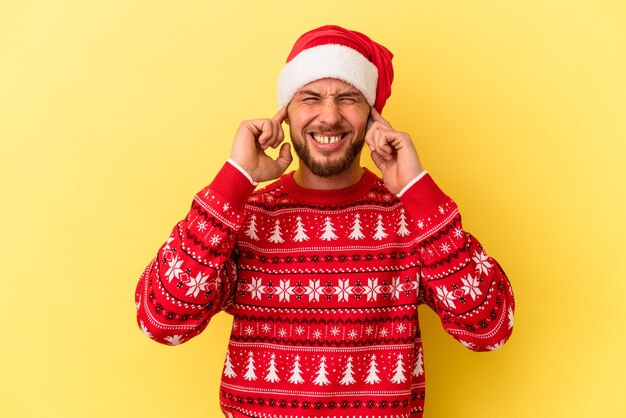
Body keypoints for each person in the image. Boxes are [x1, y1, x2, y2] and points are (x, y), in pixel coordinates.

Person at [135, 25, 515, 418]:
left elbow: (489, 328)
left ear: (373, 118)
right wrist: (235, 179)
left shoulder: (410, 218)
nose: (329, 116)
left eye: (349, 98)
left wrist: (418, 190)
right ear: (285, 112)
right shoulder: (245, 217)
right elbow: (161, 321)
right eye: (310, 97)